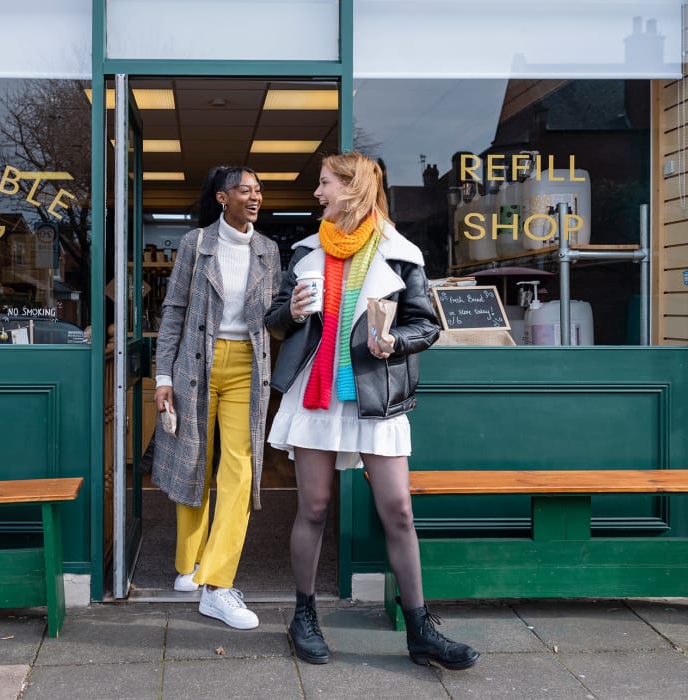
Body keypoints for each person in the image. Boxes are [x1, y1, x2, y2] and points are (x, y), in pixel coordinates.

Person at [266, 152, 480, 669]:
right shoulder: (303, 251)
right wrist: (290, 312)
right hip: (315, 395)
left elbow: (426, 325)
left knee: (398, 511)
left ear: (353, 187)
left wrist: (393, 343)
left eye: (324, 184)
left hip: (375, 395)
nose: (316, 194)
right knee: (313, 508)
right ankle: (304, 616)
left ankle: (421, 628)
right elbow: (273, 318)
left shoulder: (401, 253)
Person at [151, 165, 282, 630]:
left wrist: (297, 313)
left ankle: (218, 583)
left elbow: (276, 317)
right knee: (192, 458)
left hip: (248, 364)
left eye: (259, 189)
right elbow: (174, 311)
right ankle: (189, 563)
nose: (255, 196)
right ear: (223, 198)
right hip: (195, 364)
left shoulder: (268, 250)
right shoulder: (195, 244)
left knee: (239, 468)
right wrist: (162, 374)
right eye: (245, 189)